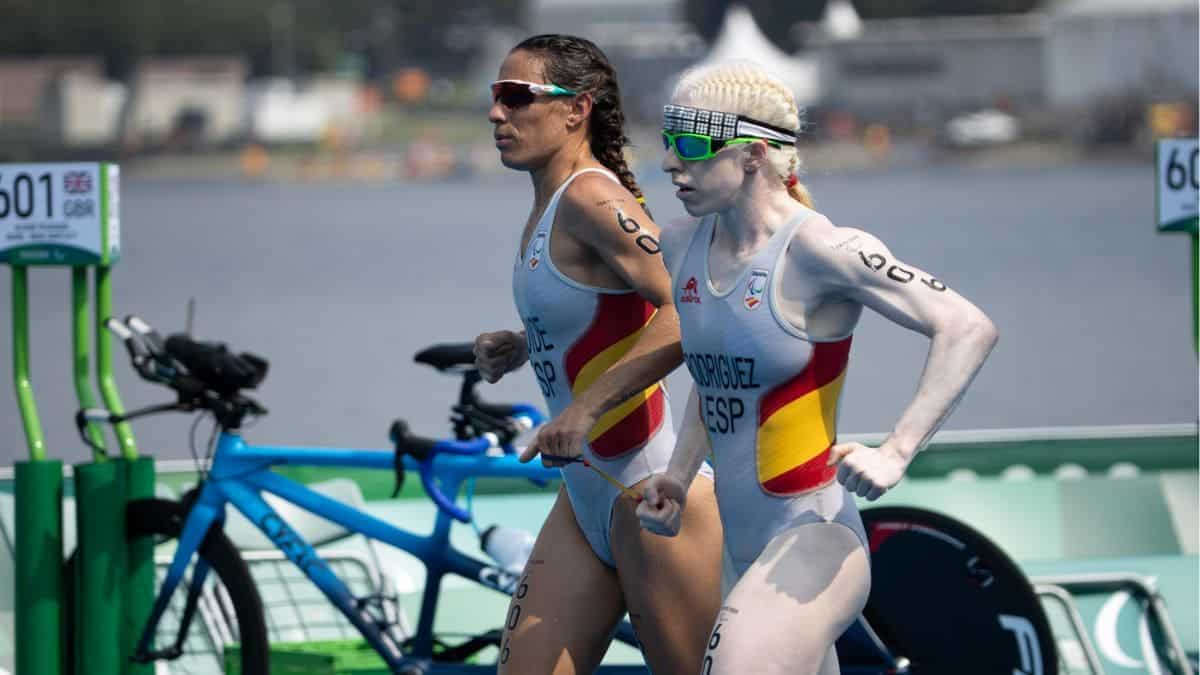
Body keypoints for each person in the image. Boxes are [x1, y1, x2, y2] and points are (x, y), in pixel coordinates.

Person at [636, 61, 1000, 675]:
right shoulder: (681, 245)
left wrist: (897, 450)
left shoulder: (823, 250)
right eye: (668, 141)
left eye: (692, 144)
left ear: (752, 155)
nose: (672, 162)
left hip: (813, 538)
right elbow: (717, 375)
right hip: (741, 548)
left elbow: (966, 327)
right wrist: (676, 473)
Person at [473, 34, 723, 675]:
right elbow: (610, 314)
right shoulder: (552, 203)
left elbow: (684, 310)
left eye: (516, 96)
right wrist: (529, 344)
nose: (498, 113)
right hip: (584, 498)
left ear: (575, 108)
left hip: (651, 488)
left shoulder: (591, 197)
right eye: (495, 97)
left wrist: (583, 409)